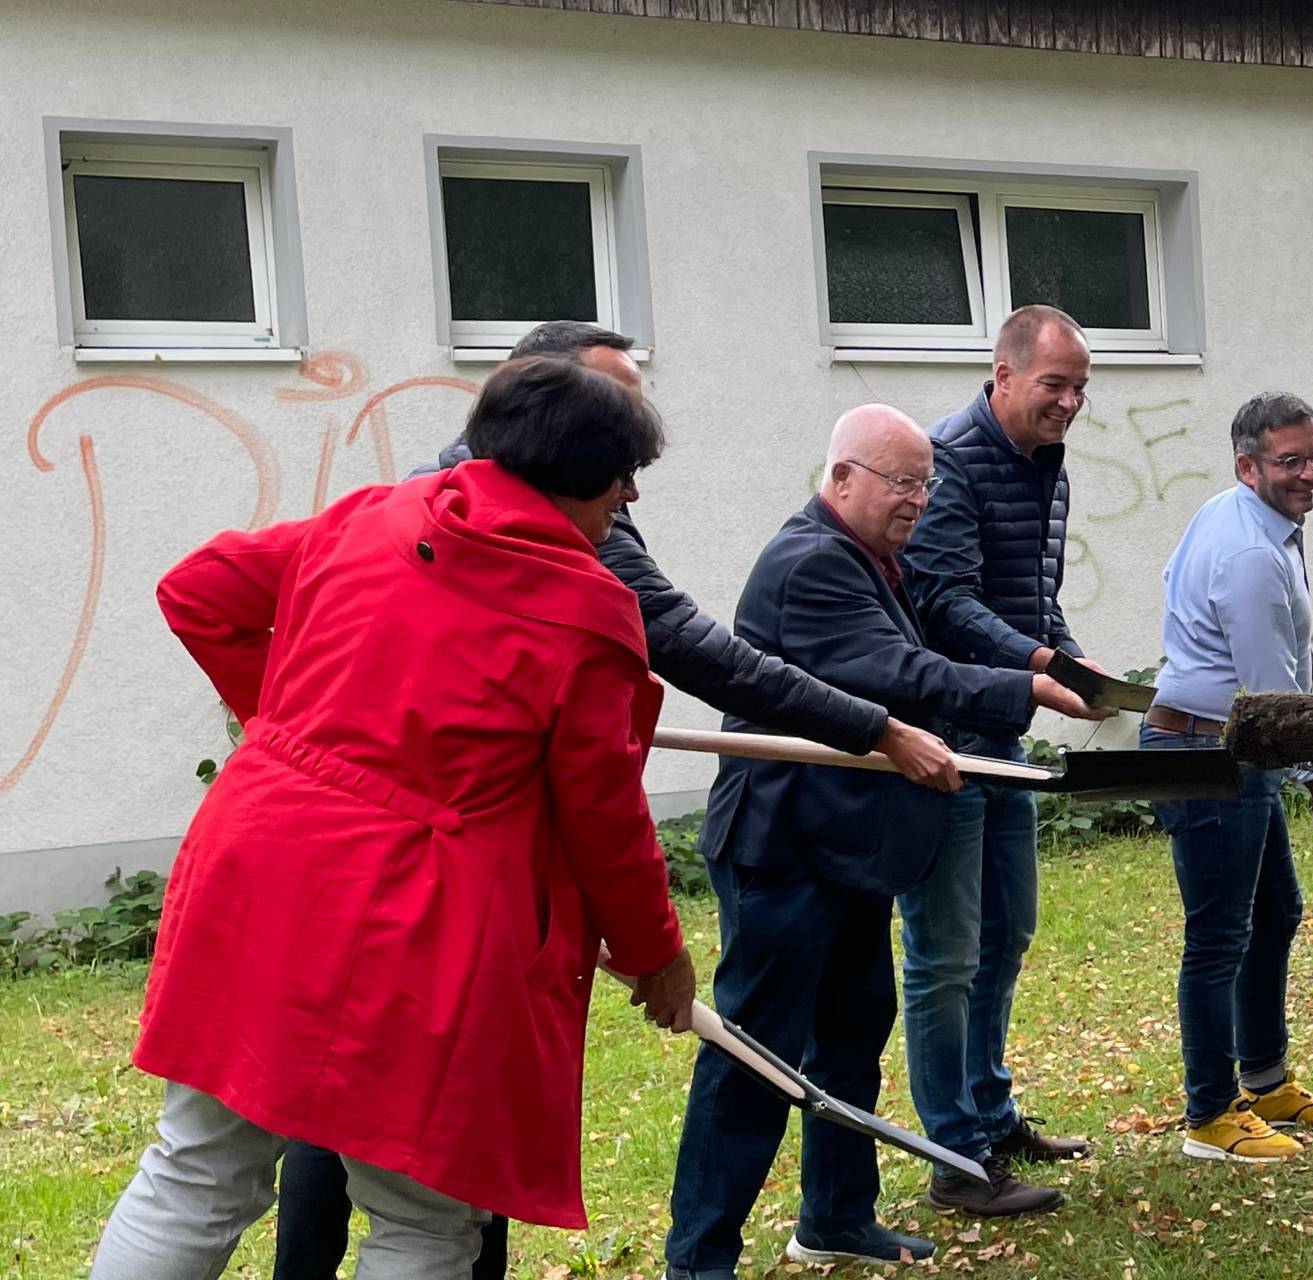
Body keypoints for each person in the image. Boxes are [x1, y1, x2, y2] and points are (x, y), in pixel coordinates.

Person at [274, 322, 961, 1280]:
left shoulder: (565, 514)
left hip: (418, 854)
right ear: (545, 411)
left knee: (348, 1131)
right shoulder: (479, 524)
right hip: (434, 865)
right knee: (359, 1127)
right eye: (616, 413)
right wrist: (874, 726)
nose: (632, 457)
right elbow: (661, 690)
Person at [91, 357, 695, 1279]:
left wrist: (292, 729)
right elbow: (603, 816)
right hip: (415, 919)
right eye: (624, 477)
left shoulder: (369, 514)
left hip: (256, 866)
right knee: (421, 1215)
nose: (630, 498)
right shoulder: (585, 611)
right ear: (579, 475)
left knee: (197, 1169)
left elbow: (202, 589)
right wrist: (657, 952)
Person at [662, 406, 1096, 1279]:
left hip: (847, 847)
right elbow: (896, 673)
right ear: (842, 477)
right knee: (755, 1059)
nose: (918, 501)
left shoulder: (873, 559)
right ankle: (698, 1260)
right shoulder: (812, 562)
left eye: (926, 485)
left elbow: (914, 659)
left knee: (852, 1034)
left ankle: (835, 1218)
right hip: (782, 849)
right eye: (902, 482)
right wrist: (1023, 688)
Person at [897, 304, 1111, 1216]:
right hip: (941, 738)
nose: (1069, 403)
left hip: (1003, 734)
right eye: (1054, 385)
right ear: (1004, 376)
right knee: (945, 954)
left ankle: (990, 1112)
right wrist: (1038, 665)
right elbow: (942, 600)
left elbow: (1030, 597)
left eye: (1080, 389)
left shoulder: (1046, 464)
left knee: (1006, 933)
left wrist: (1077, 661)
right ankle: (954, 1155)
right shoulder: (950, 460)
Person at [1141, 391, 1313, 1163]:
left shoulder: (1243, 517)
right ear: (1248, 466)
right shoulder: (1251, 555)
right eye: (1289, 461)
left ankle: (1264, 1081)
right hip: (1205, 753)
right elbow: (1276, 702)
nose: (1308, 474)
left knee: (1274, 914)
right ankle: (1210, 1115)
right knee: (1219, 937)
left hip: (1234, 747)